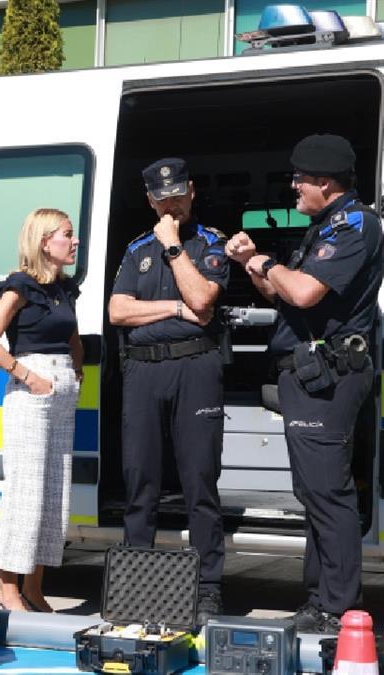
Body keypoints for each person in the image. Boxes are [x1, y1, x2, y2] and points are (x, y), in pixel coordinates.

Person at [226, 134, 384, 634]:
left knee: (329, 495)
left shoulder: (353, 224)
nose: (293, 186)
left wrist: (266, 263)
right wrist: (252, 262)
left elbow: (305, 291)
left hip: (330, 378)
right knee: (315, 493)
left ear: (324, 182)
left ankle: (339, 610)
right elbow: (282, 293)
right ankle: (320, 602)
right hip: (311, 376)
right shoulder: (321, 228)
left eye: (300, 178)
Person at [108, 158, 229, 624]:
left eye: (177, 195)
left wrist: (175, 249)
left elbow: (204, 301)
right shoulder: (137, 247)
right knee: (141, 482)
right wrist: (175, 306)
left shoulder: (209, 243)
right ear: (149, 201)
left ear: (192, 191)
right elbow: (118, 311)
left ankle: (207, 588)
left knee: (200, 484)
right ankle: (137, 582)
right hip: (142, 373)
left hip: (195, 368)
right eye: (161, 199)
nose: (170, 204)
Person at [0, 208, 83, 612]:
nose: (74, 242)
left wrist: (76, 364)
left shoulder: (65, 288)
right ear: (44, 241)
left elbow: (70, 334)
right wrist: (28, 376)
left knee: (54, 492)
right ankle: (7, 592)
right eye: (66, 235)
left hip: (63, 390)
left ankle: (35, 588)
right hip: (32, 389)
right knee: (26, 492)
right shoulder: (20, 287)